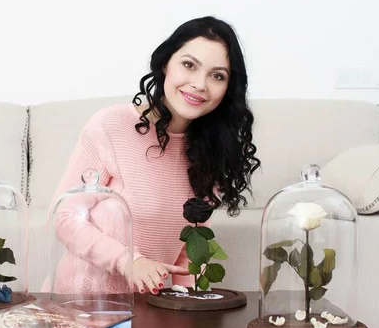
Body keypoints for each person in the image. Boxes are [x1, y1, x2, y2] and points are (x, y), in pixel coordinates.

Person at [48, 16, 261, 296]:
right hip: (82, 305)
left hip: (151, 312)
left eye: (217, 75)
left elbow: (189, 251)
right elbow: (63, 216)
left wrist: (192, 311)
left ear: (227, 89)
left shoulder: (212, 152)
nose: (199, 84)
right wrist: (127, 262)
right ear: (165, 64)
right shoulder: (112, 125)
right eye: (189, 65)